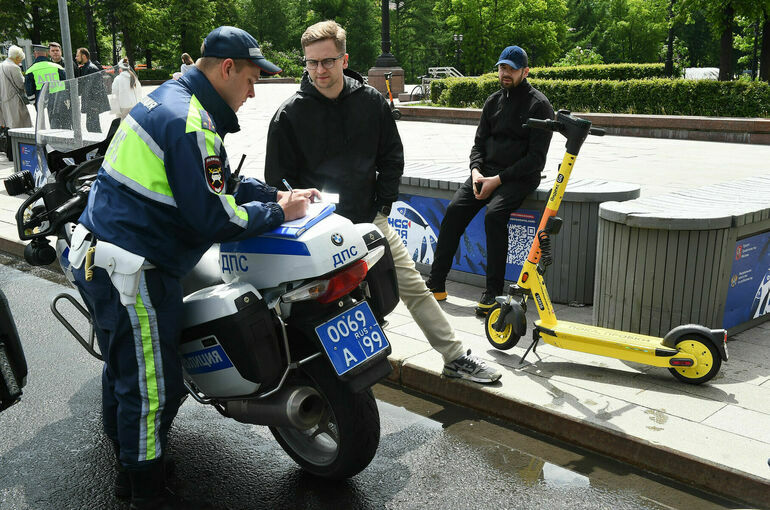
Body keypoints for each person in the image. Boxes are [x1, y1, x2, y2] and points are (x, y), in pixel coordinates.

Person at [69, 26, 317, 508]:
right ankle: (145, 488)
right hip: (131, 268)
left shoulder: (175, 99)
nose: (252, 92)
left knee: (129, 367)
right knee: (152, 387)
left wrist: (274, 195)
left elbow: (214, 182)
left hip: (111, 253)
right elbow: (213, 215)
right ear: (226, 69)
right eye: (250, 79)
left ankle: (129, 462)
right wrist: (279, 213)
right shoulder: (189, 121)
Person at [265, 20, 501, 385]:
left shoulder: (371, 101)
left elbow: (392, 156)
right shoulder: (289, 114)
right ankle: (323, 381)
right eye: (311, 62)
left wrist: (383, 205)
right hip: (316, 231)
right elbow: (277, 182)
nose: (318, 70)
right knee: (322, 307)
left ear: (344, 59)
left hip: (369, 220)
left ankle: (455, 358)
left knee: (413, 288)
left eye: (327, 61)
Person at [426, 45, 554, 316]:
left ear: (525, 71)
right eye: (501, 68)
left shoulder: (540, 105)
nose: (505, 73)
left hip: (518, 177)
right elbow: (478, 146)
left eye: (511, 69)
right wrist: (476, 172)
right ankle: (436, 283)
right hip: (485, 175)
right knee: (453, 211)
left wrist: (498, 180)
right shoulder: (492, 101)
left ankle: (493, 293)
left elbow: (536, 160)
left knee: (494, 216)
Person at [75, 47, 110, 132]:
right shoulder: (86, 68)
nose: (76, 58)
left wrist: (95, 105)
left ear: (83, 56)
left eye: (77, 56)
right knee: (91, 126)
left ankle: (99, 144)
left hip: (92, 104)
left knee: (93, 127)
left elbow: (97, 88)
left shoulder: (91, 68)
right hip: (91, 103)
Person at [1, 45, 33, 130]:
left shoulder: (1, 65)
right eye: (20, 59)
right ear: (17, 57)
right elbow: (21, 84)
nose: (20, 61)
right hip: (15, 100)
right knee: (21, 127)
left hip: (4, 101)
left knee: (9, 126)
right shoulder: (14, 67)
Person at [46, 42, 72, 129]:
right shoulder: (46, 66)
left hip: (67, 100)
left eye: (57, 50)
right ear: (49, 53)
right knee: (54, 127)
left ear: (61, 51)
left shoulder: (69, 64)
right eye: (52, 51)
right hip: (52, 101)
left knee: (67, 127)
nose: (55, 52)